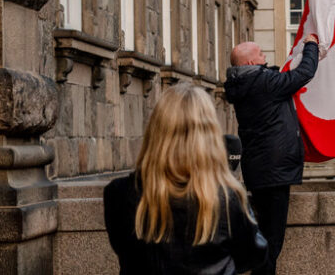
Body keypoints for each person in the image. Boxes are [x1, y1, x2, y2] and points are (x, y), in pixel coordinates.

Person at [103, 83, 268, 274]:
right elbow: (252, 256)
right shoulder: (228, 197)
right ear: (210, 134)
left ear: (156, 131)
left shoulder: (119, 193)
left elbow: (123, 250)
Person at [224, 35, 320, 275]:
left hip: (259, 169)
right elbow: (304, 74)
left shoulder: (243, 84)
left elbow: (276, 76)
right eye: (260, 54)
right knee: (272, 241)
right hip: (276, 171)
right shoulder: (264, 83)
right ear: (249, 64)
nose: (264, 57)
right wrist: (311, 46)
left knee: (264, 237)